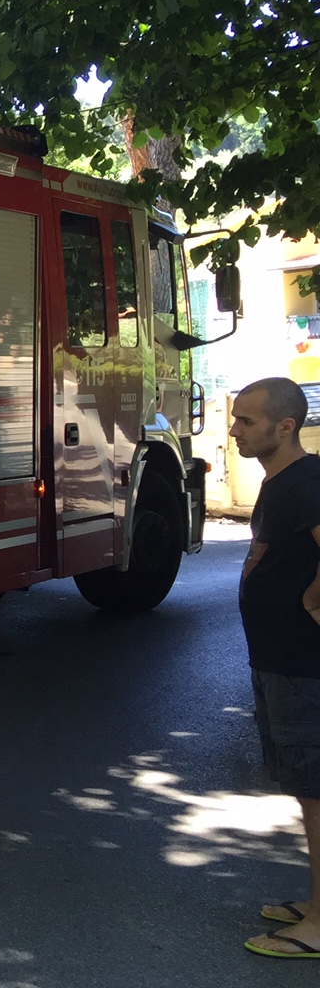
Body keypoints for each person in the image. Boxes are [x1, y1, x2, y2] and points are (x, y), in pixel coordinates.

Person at [229, 377, 320, 958]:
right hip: (280, 662)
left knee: (317, 794)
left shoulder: (304, 484)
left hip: (302, 667)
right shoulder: (282, 482)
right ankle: (315, 903)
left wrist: (313, 602)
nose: (234, 430)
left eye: (246, 422)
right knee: (306, 791)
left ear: (285, 427)